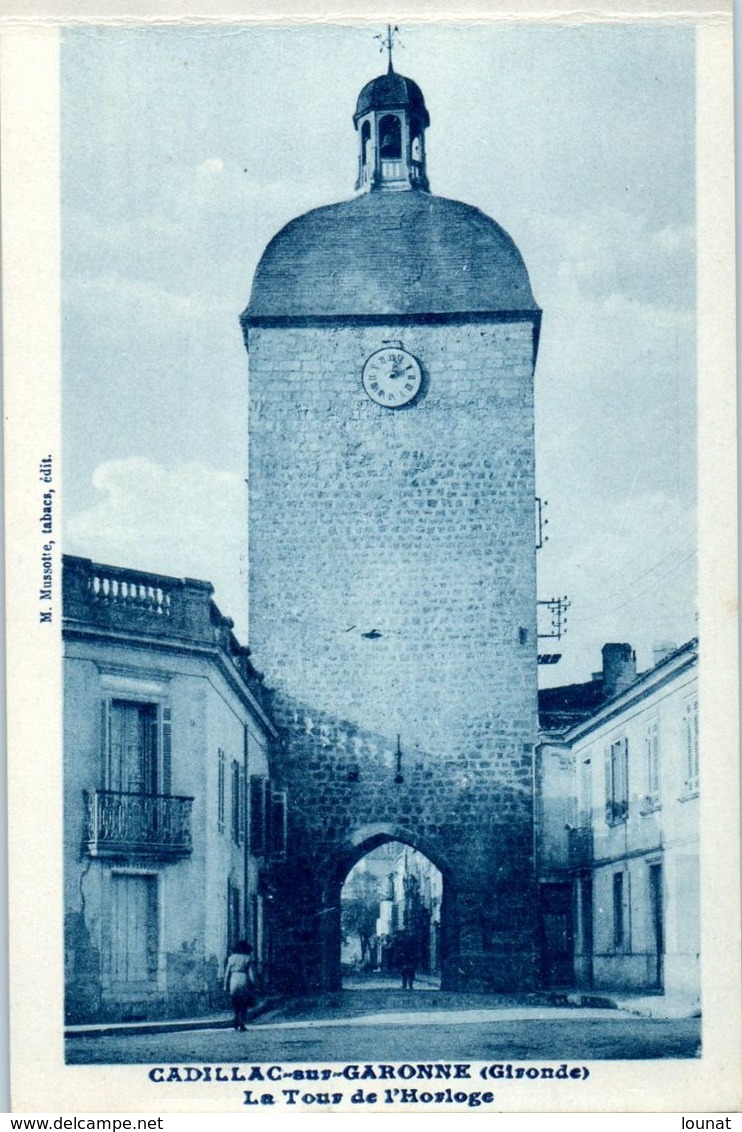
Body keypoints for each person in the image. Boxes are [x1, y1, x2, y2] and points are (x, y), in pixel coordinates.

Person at [224, 940, 255, 1031]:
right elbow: (251, 973)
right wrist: (253, 983)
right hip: (243, 978)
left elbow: (227, 973)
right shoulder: (247, 958)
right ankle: (241, 1023)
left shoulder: (231, 958)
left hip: (233, 979)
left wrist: (225, 985)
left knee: (235, 1001)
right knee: (244, 1002)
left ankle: (236, 1019)